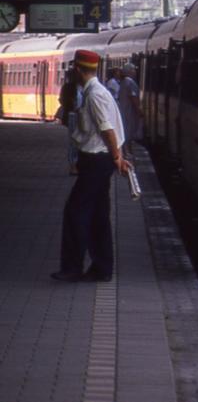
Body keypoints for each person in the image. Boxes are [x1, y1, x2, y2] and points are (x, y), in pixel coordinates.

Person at [51, 49, 130, 283]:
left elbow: (107, 128)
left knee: (75, 212)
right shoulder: (98, 91)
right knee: (98, 215)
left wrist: (117, 157)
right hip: (99, 160)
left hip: (97, 160)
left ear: (77, 69)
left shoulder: (94, 95)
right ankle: (101, 268)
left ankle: (72, 268)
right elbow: (114, 128)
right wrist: (118, 154)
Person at [56, 68, 82, 175]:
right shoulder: (68, 87)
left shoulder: (86, 87)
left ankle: (78, 164)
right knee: (73, 141)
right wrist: (70, 104)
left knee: (80, 141)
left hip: (83, 115)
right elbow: (61, 99)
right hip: (73, 115)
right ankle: (73, 166)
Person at [117, 64, 142, 156]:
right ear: (130, 71)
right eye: (133, 70)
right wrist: (139, 111)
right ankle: (127, 152)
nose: (135, 72)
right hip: (129, 111)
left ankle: (126, 151)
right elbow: (133, 98)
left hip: (123, 110)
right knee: (129, 131)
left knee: (125, 130)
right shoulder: (130, 82)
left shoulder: (123, 82)